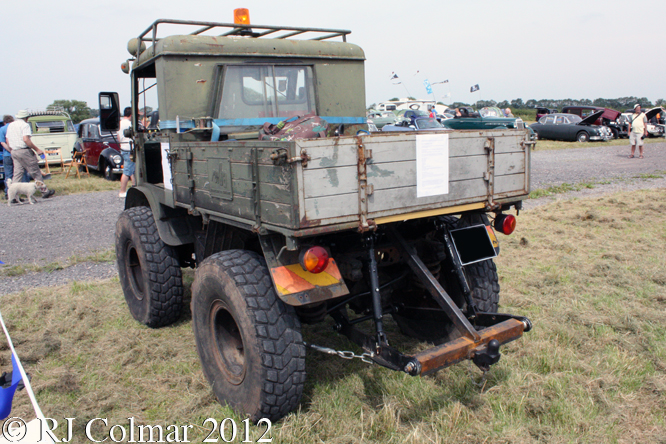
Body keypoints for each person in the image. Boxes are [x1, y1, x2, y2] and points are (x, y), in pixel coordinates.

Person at [5, 110, 55, 198]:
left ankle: (13, 195)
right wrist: (37, 149)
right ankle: (44, 191)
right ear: (26, 118)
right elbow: (26, 139)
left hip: (14, 151)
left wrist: (12, 149)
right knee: (35, 171)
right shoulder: (25, 125)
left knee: (17, 173)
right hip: (24, 150)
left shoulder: (11, 125)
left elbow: (7, 140)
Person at [118, 107, 136, 198]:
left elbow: (118, 136)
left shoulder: (119, 123)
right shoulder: (130, 124)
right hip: (130, 149)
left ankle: (135, 186)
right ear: (131, 114)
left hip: (123, 148)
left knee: (132, 169)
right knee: (127, 171)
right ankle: (122, 191)